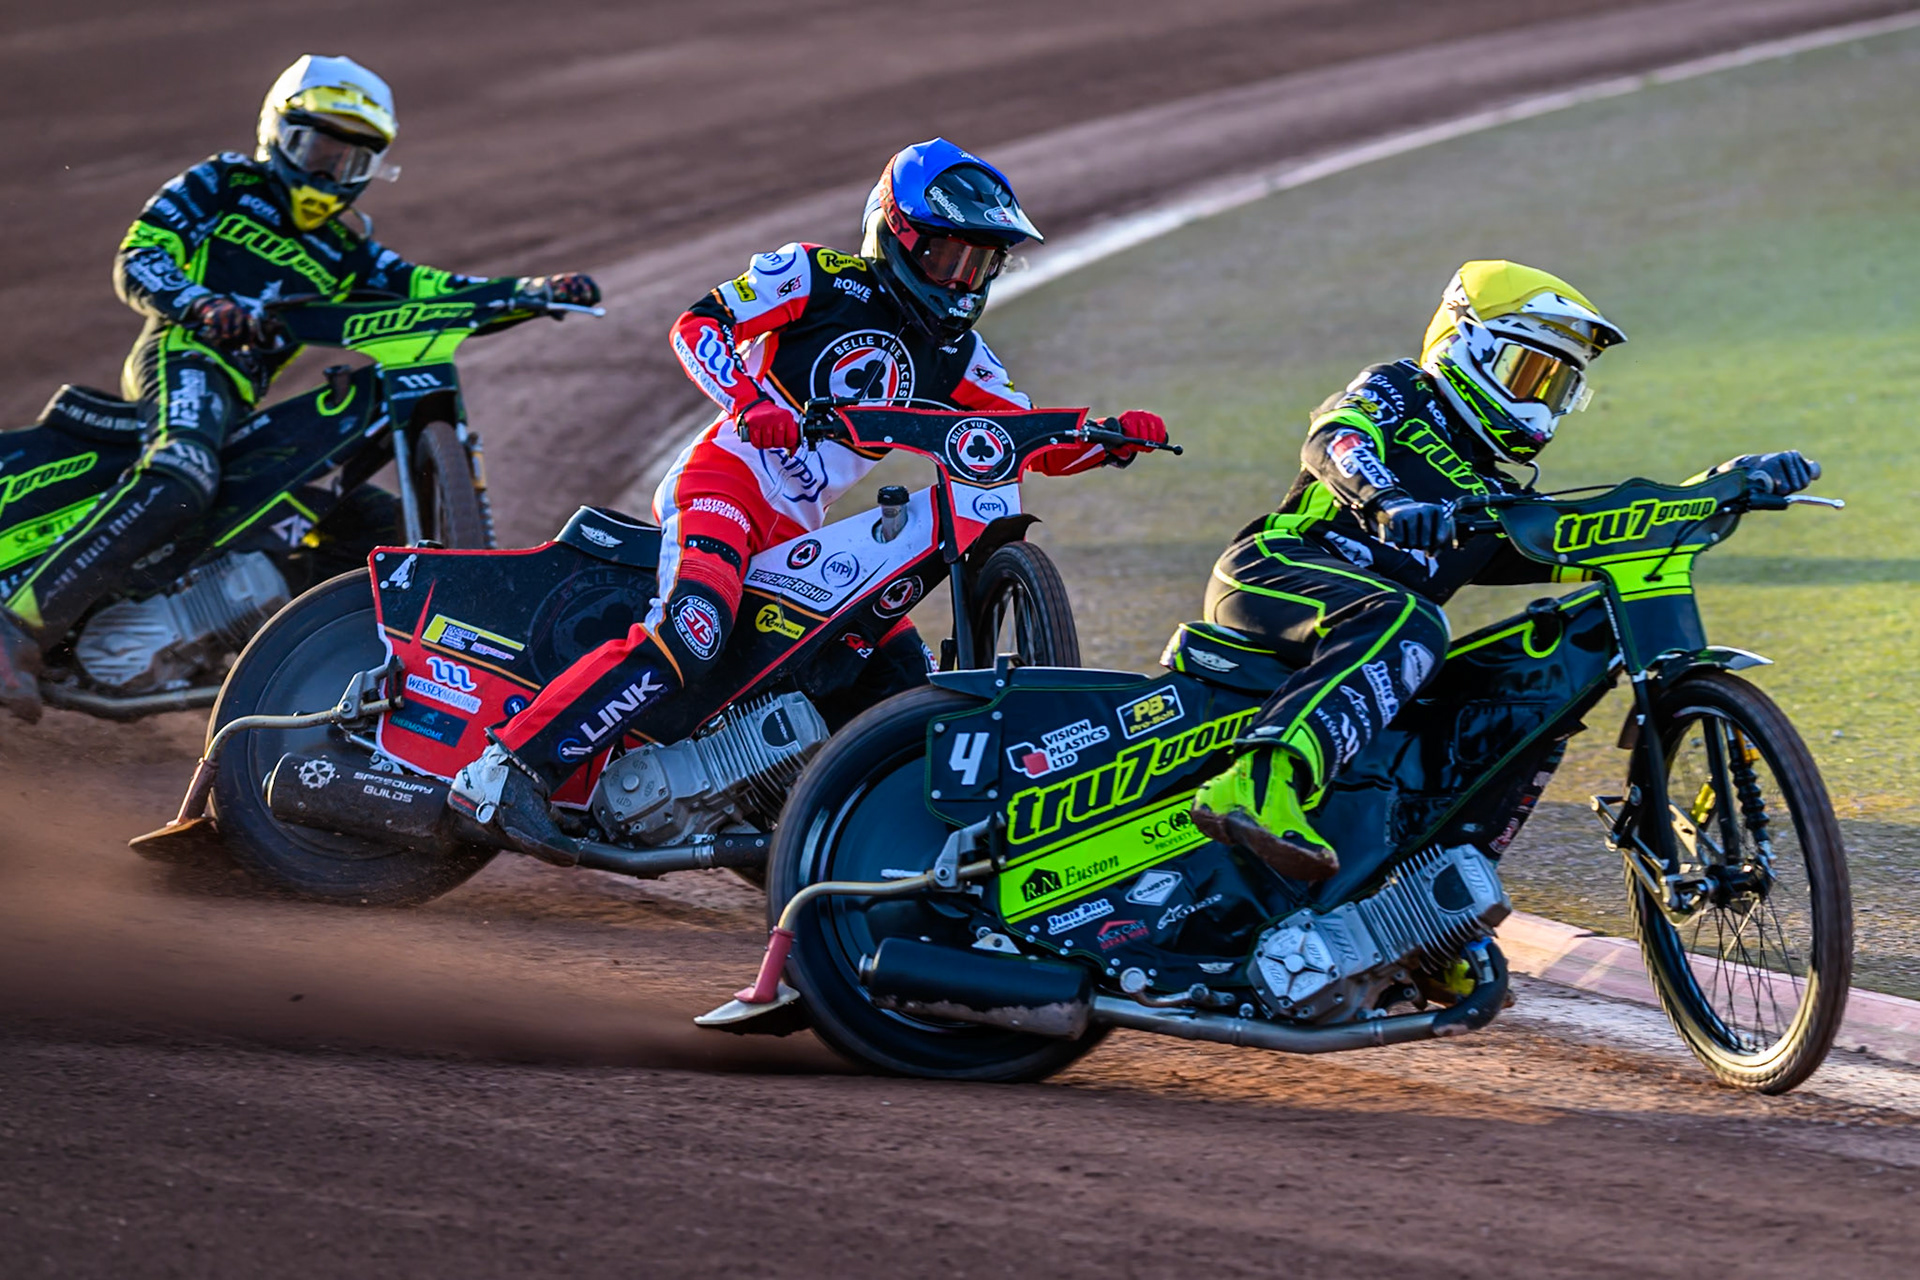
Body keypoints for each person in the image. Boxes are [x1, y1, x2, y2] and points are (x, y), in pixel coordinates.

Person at [450, 137, 1167, 860]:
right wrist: (748, 399)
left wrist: (1106, 439)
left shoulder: (961, 357)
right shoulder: (813, 275)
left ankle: (838, 849)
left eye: (979, 264)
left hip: (801, 532)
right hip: (726, 482)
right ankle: (508, 770)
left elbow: (1016, 438)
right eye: (948, 256)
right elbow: (698, 325)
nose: (962, 280)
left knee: (899, 680)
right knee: (694, 629)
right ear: (896, 234)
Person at [0, 54, 599, 722]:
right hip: (186, 353)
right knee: (183, 471)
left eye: (348, 161)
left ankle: (282, 675)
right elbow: (141, 254)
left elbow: (433, 289)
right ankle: (16, 624)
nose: (326, 173)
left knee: (374, 529)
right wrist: (202, 305)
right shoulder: (222, 183)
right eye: (317, 150)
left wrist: (533, 292)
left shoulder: (346, 252)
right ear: (277, 134)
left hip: (240, 403)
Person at [1189, 259, 1817, 881]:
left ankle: (1431, 894)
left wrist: (1726, 483)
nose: (1541, 400)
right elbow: (1335, 440)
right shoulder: (1397, 389)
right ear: (1467, 344)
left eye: (1557, 386)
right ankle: (1256, 783)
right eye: (1528, 372)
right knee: (1413, 620)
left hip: (1383, 629)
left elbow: (1604, 534)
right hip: (1273, 571)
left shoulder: (1496, 495)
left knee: (1533, 688)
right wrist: (1388, 501)